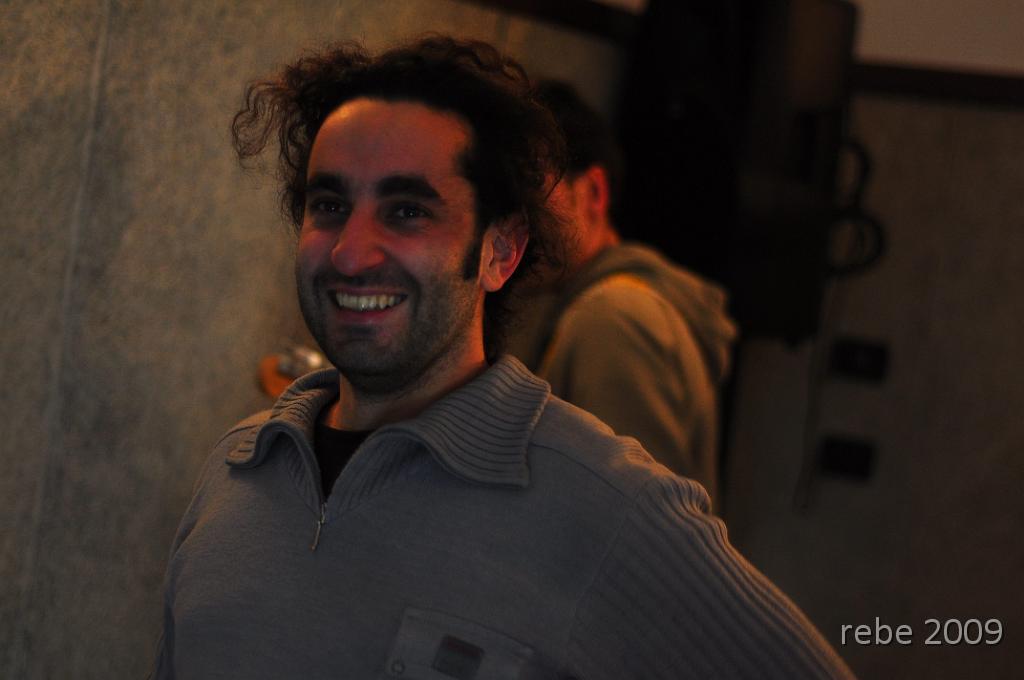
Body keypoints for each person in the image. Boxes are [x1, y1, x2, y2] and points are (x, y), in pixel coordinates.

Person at [151, 36, 854, 679]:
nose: (351, 252)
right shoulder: (236, 473)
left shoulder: (605, 507)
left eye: (407, 211)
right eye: (329, 205)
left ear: (500, 251)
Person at [507, 80, 737, 506]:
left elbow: (635, 517)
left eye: (530, 192)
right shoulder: (611, 305)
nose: (511, 222)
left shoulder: (614, 316)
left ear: (593, 192)